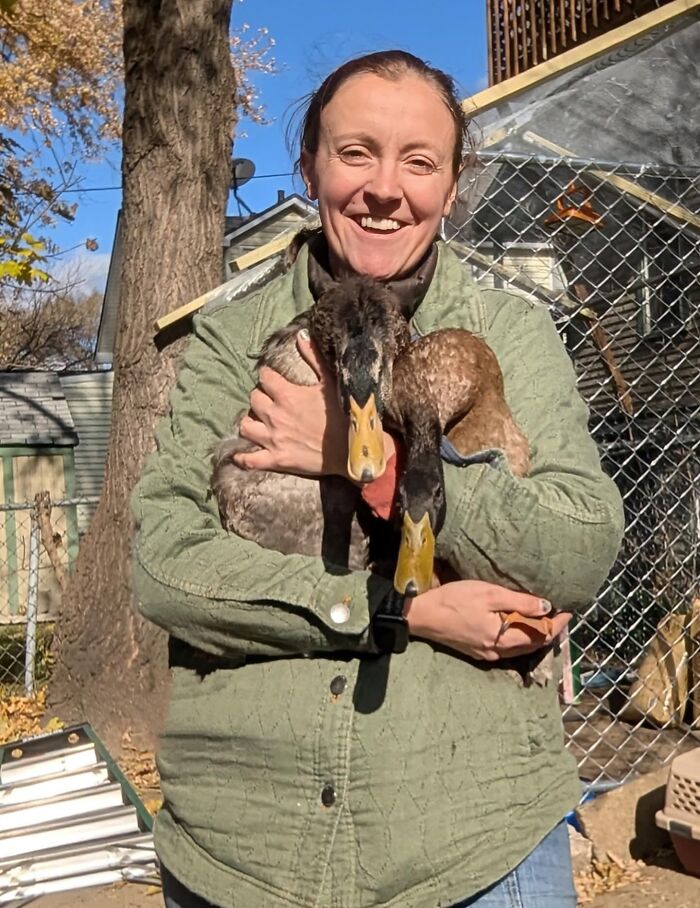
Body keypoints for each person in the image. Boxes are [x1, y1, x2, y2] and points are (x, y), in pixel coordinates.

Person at [132, 50, 624, 908]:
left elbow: (575, 551)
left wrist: (368, 464)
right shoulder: (229, 339)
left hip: (476, 835)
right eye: (356, 152)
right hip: (245, 844)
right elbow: (165, 563)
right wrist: (404, 612)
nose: (385, 189)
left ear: (453, 184)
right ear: (310, 166)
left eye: (420, 161)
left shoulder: (509, 328)